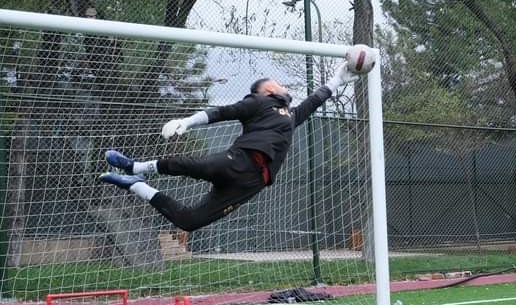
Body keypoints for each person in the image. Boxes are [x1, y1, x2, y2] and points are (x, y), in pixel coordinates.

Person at [99, 62, 357, 231]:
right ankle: (135, 166)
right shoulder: (258, 102)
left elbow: (314, 101)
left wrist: (336, 80)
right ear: (267, 90)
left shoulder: (291, 116)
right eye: (279, 83)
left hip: (253, 183)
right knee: (195, 165)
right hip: (241, 160)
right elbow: (223, 112)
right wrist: (187, 122)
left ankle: (135, 184)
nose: (285, 86)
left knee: (190, 222)